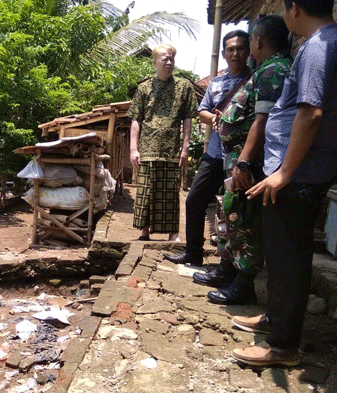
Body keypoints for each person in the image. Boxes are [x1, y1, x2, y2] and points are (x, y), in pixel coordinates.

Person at [231, 0, 337, 367]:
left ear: (294, 8)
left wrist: (284, 172)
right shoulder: (336, 42)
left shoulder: (319, 47)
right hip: (304, 170)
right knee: (284, 252)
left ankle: (282, 346)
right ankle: (276, 317)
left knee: (288, 257)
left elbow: (311, 113)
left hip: (297, 175)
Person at [203, 16, 292, 305]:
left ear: (258, 42)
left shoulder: (273, 71)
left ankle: (243, 286)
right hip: (240, 161)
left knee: (246, 223)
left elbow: (263, 121)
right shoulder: (265, 69)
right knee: (233, 218)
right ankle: (228, 272)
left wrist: (243, 162)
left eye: (249, 41)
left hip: (250, 166)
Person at [164, 31, 251, 266]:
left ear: (249, 51)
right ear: (223, 53)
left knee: (234, 209)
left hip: (240, 157)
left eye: (240, 48)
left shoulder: (254, 80)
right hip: (214, 152)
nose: (235, 53)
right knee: (194, 200)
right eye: (230, 49)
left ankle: (230, 265)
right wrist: (213, 117)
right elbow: (201, 111)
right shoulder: (216, 82)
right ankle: (193, 253)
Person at [127, 44, 198, 242]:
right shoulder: (144, 88)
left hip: (171, 149)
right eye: (165, 59)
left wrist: (185, 148)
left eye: (172, 59)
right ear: (155, 62)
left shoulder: (184, 87)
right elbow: (135, 119)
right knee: (146, 191)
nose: (169, 63)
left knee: (169, 193)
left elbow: (188, 119)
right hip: (147, 147)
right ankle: (145, 232)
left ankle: (173, 234)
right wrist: (133, 149)